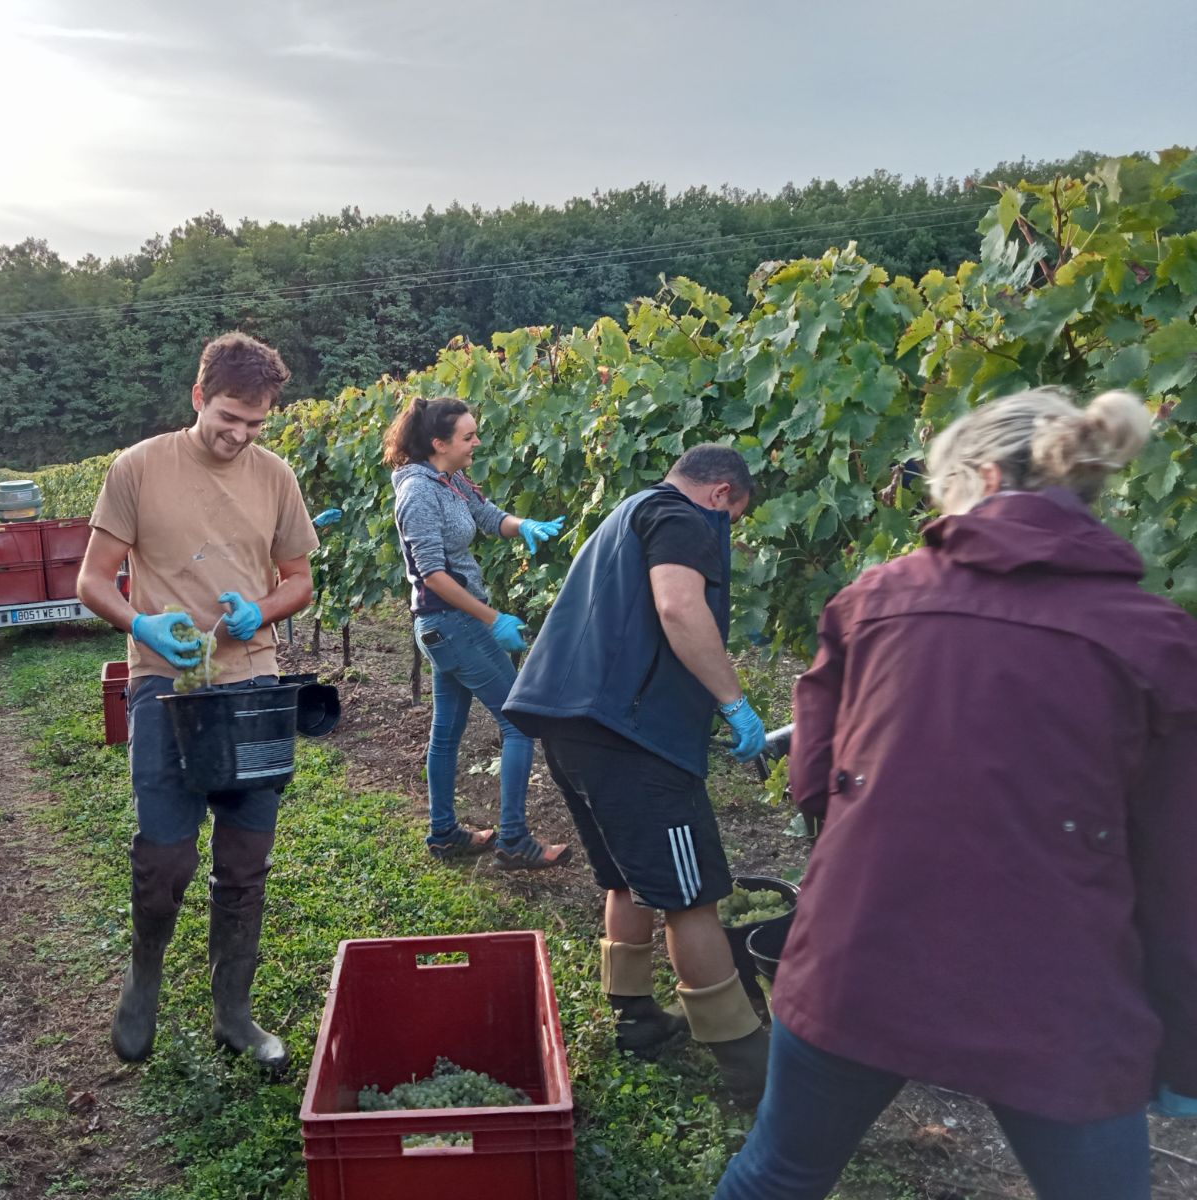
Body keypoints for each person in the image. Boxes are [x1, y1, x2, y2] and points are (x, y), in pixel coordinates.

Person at [713, 388, 1197, 1200]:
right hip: (1054, 993)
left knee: (780, 1172)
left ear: (977, 475)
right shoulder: (1155, 639)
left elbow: (814, 780)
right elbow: (1180, 873)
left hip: (860, 956)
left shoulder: (873, 602)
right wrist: (1180, 1041)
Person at [76, 331, 320, 1076]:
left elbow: (299, 580)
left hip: (251, 687)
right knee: (167, 857)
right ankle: (145, 973)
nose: (239, 436)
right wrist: (140, 623)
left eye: (255, 425)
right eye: (228, 418)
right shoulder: (138, 469)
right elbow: (92, 581)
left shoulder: (275, 478)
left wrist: (265, 611)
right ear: (197, 397)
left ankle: (233, 1012)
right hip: (167, 686)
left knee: (246, 862)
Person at [505, 444, 771, 1104]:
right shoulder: (685, 518)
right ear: (720, 495)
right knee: (693, 895)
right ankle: (747, 1062)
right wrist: (733, 702)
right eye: (733, 518)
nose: (727, 532)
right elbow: (679, 606)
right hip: (633, 737)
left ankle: (635, 1016)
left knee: (625, 875)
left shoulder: (627, 512)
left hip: (572, 725)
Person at [386, 396, 570, 869]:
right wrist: (493, 619)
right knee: (519, 724)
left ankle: (444, 833)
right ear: (438, 443)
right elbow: (433, 575)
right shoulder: (419, 493)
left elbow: (489, 518)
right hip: (453, 623)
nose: (477, 442)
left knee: (446, 731)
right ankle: (513, 840)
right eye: (468, 437)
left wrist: (522, 524)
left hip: (447, 627)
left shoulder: (450, 480)